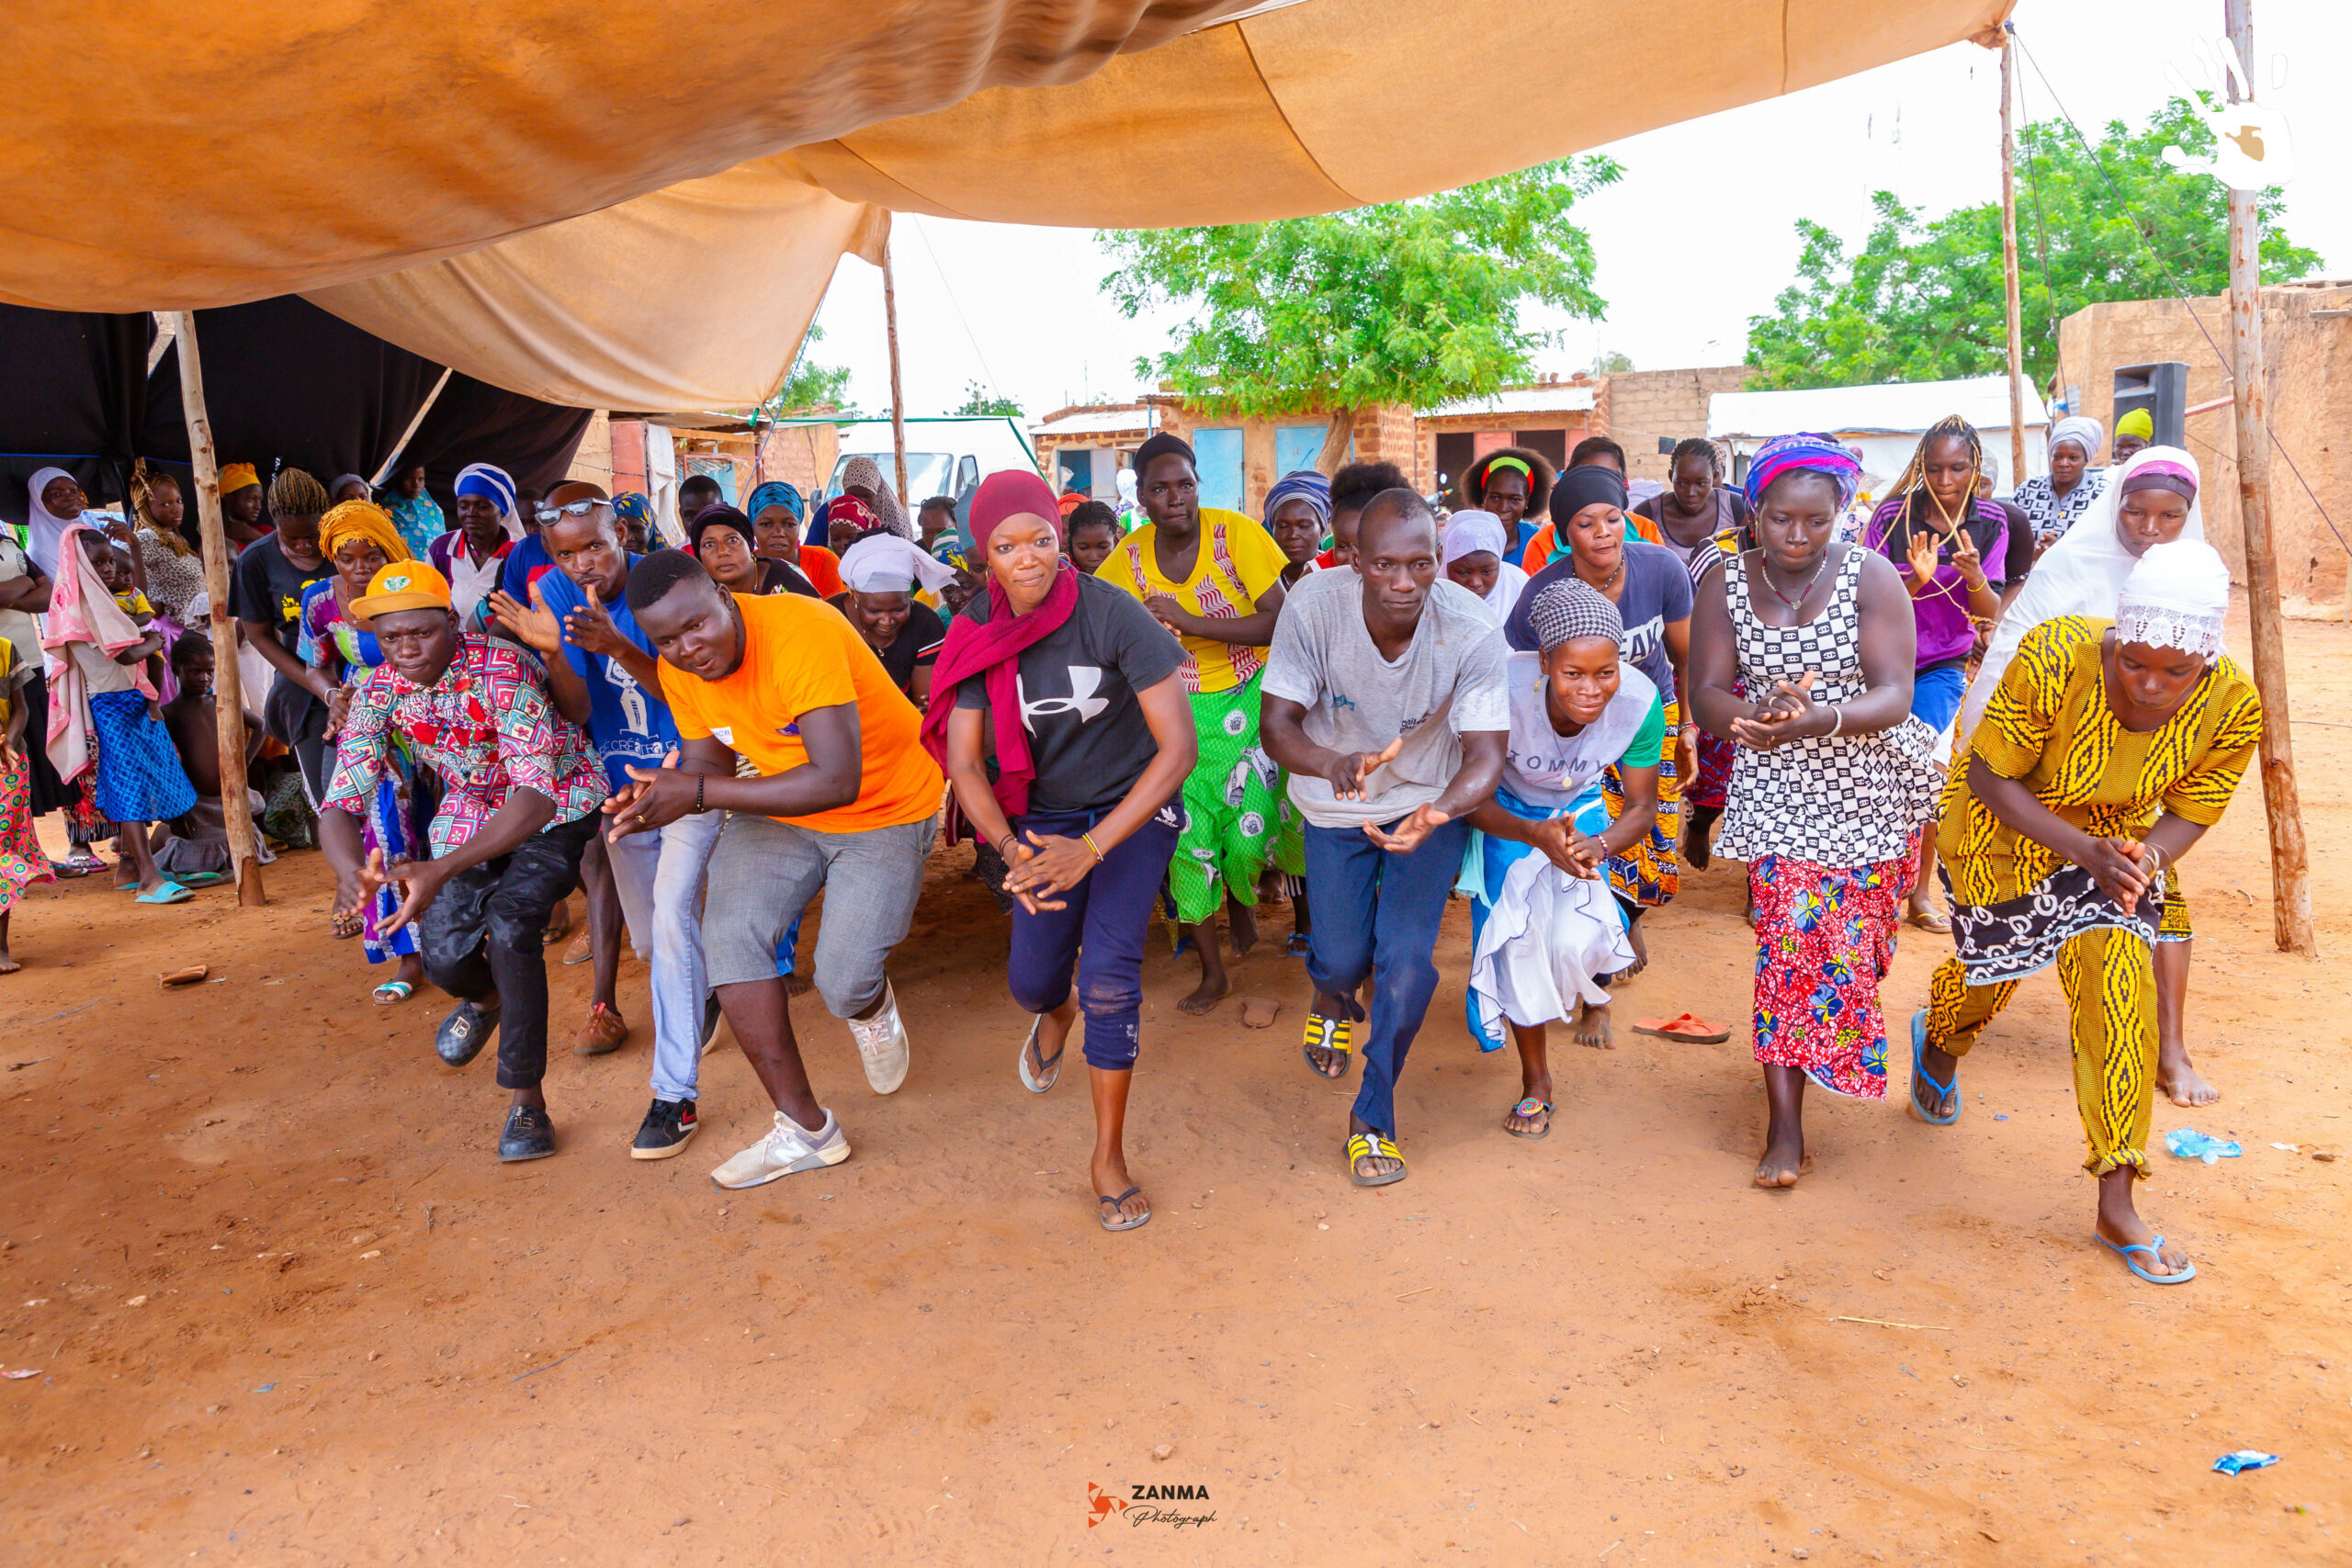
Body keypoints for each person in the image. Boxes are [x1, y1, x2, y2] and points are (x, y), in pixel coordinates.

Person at [1912, 541, 2257, 1286]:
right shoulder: (2054, 655)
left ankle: (2117, 1196)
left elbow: (2195, 809)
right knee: (1992, 973)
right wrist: (2082, 847)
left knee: (2117, 988)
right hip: (2000, 825)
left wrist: (2144, 860)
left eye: (2177, 671)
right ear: (2118, 632)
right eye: (2134, 662)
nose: (2152, 685)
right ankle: (1939, 1040)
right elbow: (1989, 772)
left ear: (2205, 658)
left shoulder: (2233, 703)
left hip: (2118, 841)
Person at [611, 550, 944, 1188]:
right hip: (782, 806)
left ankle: (870, 1007)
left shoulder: (800, 627)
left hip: (887, 803)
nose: (687, 648)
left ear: (723, 594)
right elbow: (709, 766)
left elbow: (837, 779)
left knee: (843, 983)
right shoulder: (677, 669)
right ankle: (806, 1129)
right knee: (730, 937)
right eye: (666, 640)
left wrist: (698, 794)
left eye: (696, 625)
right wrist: (660, 797)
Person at [928, 470, 1196, 1231]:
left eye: (1043, 540)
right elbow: (964, 762)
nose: (1030, 559)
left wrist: (1092, 848)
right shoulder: (978, 629)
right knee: (1031, 980)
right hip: (1039, 818)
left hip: (1131, 810)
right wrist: (1014, 849)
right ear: (984, 556)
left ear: (1060, 538)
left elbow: (1177, 749)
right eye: (1007, 547)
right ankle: (1055, 1010)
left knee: (1111, 974)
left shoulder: (1113, 615)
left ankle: (1107, 1156)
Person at [1687, 434, 1938, 1189]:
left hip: (1869, 783)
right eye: (1781, 520)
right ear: (1754, 512)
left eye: (1815, 522)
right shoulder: (1724, 583)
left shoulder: (1872, 577)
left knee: (1856, 951)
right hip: (1778, 788)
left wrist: (1818, 718)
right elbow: (1705, 692)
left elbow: (1895, 693)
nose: (1797, 537)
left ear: (1840, 516)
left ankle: (1836, 1035)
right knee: (1788, 941)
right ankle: (1785, 1126)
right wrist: (1754, 715)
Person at [1261, 488, 1510, 1189]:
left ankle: (1373, 1116)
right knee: (1340, 959)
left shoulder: (1470, 627)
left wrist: (1438, 814)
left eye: (1422, 565)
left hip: (1426, 803)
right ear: (1354, 560)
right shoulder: (1314, 607)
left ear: (1439, 558)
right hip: (1331, 801)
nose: (1405, 583)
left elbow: (1487, 754)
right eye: (1385, 566)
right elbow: (1277, 725)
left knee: (1404, 962)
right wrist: (1331, 761)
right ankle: (1332, 994)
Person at [322, 558, 609, 1161]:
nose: (405, 648)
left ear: (451, 621)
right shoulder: (377, 690)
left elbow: (534, 796)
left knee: (511, 923)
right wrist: (354, 876)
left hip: (557, 798)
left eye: (421, 633)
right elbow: (340, 803)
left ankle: (526, 1100)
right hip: (472, 803)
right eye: (391, 636)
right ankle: (485, 999)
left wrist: (439, 869)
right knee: (444, 954)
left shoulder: (500, 669)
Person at [1958, 446, 2213, 1106]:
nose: (2150, 529)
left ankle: (2170, 1048)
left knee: (2157, 888)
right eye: (2136, 512)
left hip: (2127, 783)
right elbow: (2010, 658)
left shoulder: (2194, 579)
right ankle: (1946, 1033)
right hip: (2038, 772)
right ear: (2114, 505)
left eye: (2169, 516)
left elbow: (2198, 693)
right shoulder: (2070, 566)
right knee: (2001, 931)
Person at [488, 489, 729, 1146]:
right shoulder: (556, 593)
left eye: (594, 544)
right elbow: (572, 710)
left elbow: (691, 695)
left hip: (687, 776)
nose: (584, 562)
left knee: (675, 920)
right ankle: (703, 992)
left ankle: (673, 1095)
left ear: (620, 531)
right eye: (567, 552)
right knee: (653, 944)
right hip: (620, 790)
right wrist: (557, 652)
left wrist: (619, 646)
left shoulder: (662, 584)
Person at [1097, 432, 1291, 1013]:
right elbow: (1101, 630)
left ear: (1197, 483)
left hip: (1249, 702)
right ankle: (1213, 973)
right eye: (1159, 488)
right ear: (1141, 496)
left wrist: (1189, 621)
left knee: (1246, 836)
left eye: (1184, 484)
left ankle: (1244, 904)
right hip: (1174, 714)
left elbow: (1279, 622)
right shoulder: (1125, 561)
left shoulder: (1237, 536)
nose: (1174, 497)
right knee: (1188, 843)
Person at [1464, 577, 1659, 1134]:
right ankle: (1536, 1081)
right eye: (1573, 673)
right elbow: (1469, 798)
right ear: (1545, 661)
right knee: (1518, 941)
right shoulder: (1497, 690)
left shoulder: (1641, 703)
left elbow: (1641, 807)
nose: (1592, 689)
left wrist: (1598, 844)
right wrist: (1531, 833)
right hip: (1504, 810)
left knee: (1580, 933)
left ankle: (1593, 991)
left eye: (1606, 672)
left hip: (1581, 805)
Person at [1506, 465, 1692, 953]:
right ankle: (1605, 929)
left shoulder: (1661, 569)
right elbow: (1523, 675)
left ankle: (1627, 917)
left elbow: (1686, 657)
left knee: (1652, 827)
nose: (1603, 532)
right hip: (1574, 725)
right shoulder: (1540, 594)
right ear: (1564, 533)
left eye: (1613, 518)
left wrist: (1688, 728)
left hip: (1650, 714)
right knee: (1591, 823)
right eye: (1586, 523)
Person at [1865, 416, 2011, 934]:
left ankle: (1920, 893)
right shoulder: (1890, 516)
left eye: (1957, 468)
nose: (1945, 480)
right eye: (1933, 469)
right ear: (1919, 468)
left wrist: (1972, 576)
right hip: (1882, 659)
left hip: (1942, 664)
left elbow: (1989, 610)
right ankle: (1874, 883)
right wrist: (1913, 579)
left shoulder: (1992, 521)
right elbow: (1868, 601)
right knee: (1876, 771)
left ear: (1974, 468)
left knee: (1927, 771)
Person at [303, 501, 431, 995]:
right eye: (347, 558)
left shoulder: (409, 590)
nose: (359, 568)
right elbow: (314, 663)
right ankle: (407, 956)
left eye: (371, 557)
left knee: (435, 826)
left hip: (427, 715)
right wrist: (334, 696)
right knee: (385, 830)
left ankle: (450, 938)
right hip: (366, 720)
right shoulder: (320, 601)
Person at [42, 525, 198, 902]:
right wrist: (156, 641)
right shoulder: (81, 608)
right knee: (128, 786)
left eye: (111, 560)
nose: (109, 569)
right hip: (112, 705)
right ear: (80, 566)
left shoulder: (101, 601)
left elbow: (136, 609)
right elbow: (125, 654)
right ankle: (149, 877)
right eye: (99, 563)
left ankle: (130, 867)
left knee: (145, 778)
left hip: (130, 698)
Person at [230, 468, 335, 809]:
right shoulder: (255, 561)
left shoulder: (348, 547)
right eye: (293, 539)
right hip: (302, 684)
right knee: (327, 797)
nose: (305, 545)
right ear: (274, 521)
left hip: (363, 678)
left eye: (312, 535)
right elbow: (260, 636)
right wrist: (323, 689)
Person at [152, 632, 274, 892]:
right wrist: (177, 810)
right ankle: (159, 837)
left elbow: (262, 726)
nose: (204, 678)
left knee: (241, 847)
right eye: (195, 671)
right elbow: (163, 763)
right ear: (177, 669)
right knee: (191, 855)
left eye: (209, 671)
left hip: (229, 801)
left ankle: (164, 836)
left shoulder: (222, 703)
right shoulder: (170, 713)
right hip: (196, 805)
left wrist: (245, 761)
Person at [828, 533, 952, 702]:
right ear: (856, 595)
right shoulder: (830, 620)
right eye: (875, 611)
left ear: (909, 595)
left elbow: (925, 705)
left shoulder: (926, 624)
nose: (887, 620)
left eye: (899, 609)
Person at [0, 631, 54, 970]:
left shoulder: (5, 649)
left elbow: (21, 707)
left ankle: (0, 946)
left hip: (8, 765)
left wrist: (10, 741)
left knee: (2, 853)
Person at [1633, 439, 1751, 574]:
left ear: (1715, 476)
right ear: (1671, 476)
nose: (1691, 493)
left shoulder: (1735, 508)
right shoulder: (1648, 513)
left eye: (1701, 483)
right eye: (1682, 483)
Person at [427, 464, 520, 627]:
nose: (471, 513)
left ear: (503, 511)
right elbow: (427, 599)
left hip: (502, 648)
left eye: (483, 506)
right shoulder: (442, 548)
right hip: (451, 647)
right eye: (463, 506)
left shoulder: (517, 553)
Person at [2012, 415, 2109, 554]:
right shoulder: (2028, 491)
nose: (2063, 464)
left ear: (2086, 459)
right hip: (2031, 572)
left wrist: (2060, 550)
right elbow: (2008, 534)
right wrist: (2031, 549)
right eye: (2057, 457)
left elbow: (2106, 545)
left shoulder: (2101, 494)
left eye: (2073, 458)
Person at [128, 466, 207, 624]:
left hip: (194, 628)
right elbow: (121, 566)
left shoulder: (176, 538)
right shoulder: (147, 538)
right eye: (165, 504)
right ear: (146, 508)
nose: (176, 509)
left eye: (179, 501)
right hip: (173, 631)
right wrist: (149, 603)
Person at [692, 504, 818, 599]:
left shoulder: (787, 577)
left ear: (750, 546)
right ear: (699, 556)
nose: (722, 552)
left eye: (732, 540)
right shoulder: (697, 594)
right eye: (709, 544)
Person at [746, 480, 842, 596]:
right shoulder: (743, 568)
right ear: (753, 527)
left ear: (799, 526)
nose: (778, 533)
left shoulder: (822, 562)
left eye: (789, 524)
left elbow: (831, 613)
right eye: (766, 524)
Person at [1458, 447, 1555, 556]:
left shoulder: (1539, 543)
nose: (1503, 508)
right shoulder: (1463, 542)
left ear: (1527, 502)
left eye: (1515, 500)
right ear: (1483, 497)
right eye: (1495, 497)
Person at [1316, 461, 1409, 570]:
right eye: (1342, 547)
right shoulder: (1316, 575)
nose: (1353, 558)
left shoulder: (1406, 577)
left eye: (1364, 547)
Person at [1440, 510, 1527, 626]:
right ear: (1446, 563)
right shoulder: (1432, 597)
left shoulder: (1519, 587)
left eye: (1486, 572)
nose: (1476, 583)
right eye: (1463, 572)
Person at [1263, 472, 1329, 591]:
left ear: (1322, 529)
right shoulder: (1259, 578)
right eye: (1283, 526)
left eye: (1304, 526)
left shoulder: (1336, 575)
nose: (1293, 535)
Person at [24, 466, 88, 576]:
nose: (71, 497)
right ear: (39, 501)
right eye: (57, 494)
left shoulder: (85, 530)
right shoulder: (43, 552)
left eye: (74, 491)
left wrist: (129, 542)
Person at [838, 454, 914, 538]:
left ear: (877, 493)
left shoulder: (897, 519)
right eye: (853, 495)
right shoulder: (831, 513)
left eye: (867, 496)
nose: (860, 502)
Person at [381, 463, 446, 558]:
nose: (416, 484)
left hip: (437, 568)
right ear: (397, 478)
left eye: (421, 479)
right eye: (410, 479)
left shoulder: (431, 506)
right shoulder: (385, 512)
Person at [218, 462, 269, 549]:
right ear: (229, 499)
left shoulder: (267, 531)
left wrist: (255, 536)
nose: (258, 506)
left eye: (260, 500)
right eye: (250, 499)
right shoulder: (218, 542)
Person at [1067, 501, 1122, 577]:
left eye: (1103, 547)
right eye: (1083, 548)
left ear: (1115, 542)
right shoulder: (1060, 574)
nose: (1093, 557)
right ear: (1071, 545)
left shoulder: (1132, 572)